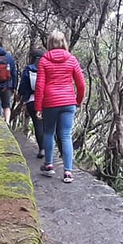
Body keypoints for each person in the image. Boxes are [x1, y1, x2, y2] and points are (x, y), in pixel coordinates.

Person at [35, 30, 85, 183]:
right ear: (64, 42)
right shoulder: (71, 60)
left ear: (49, 43)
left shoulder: (44, 60)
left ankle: (49, 166)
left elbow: (40, 85)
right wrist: (78, 100)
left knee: (49, 132)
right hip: (68, 102)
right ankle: (68, 172)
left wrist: (38, 107)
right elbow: (81, 83)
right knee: (65, 136)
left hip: (50, 102)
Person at [18, 49, 45, 158]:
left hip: (31, 100)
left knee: (37, 124)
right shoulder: (46, 68)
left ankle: (42, 149)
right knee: (47, 126)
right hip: (46, 100)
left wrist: (20, 96)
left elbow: (23, 85)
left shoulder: (28, 69)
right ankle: (49, 149)